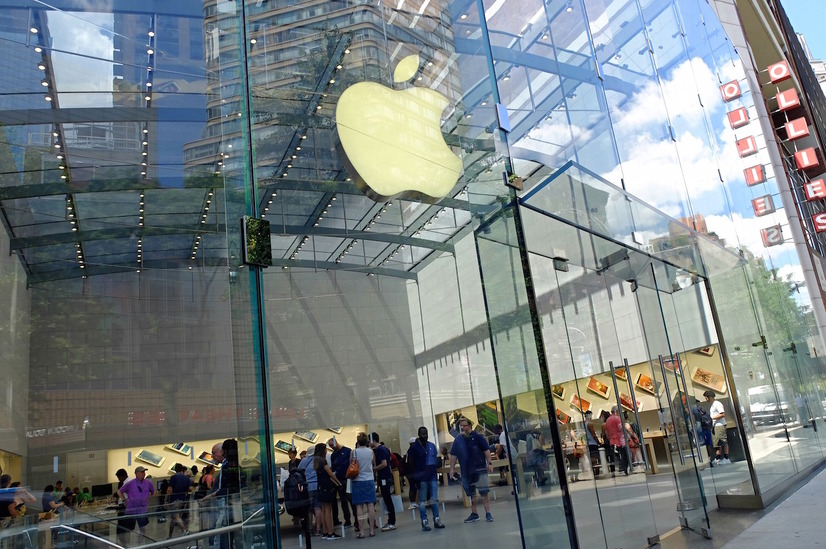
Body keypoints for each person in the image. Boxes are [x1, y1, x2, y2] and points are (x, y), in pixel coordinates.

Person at [449, 417, 494, 523]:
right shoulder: (459, 440)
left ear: (469, 425)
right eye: (461, 426)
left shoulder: (478, 437)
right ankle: (475, 513)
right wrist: (451, 468)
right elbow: (454, 455)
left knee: (484, 492)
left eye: (464, 425)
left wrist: (489, 463)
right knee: (472, 494)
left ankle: (488, 513)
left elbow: (486, 450)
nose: (463, 428)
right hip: (467, 470)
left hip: (480, 469)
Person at [408, 426, 444, 532]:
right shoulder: (414, 448)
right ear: (419, 434)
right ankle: (424, 521)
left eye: (426, 433)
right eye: (423, 433)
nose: (425, 435)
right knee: (422, 500)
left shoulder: (431, 446)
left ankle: (436, 519)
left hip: (432, 476)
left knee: (434, 499)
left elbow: (435, 459)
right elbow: (410, 463)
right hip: (421, 478)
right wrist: (415, 478)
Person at [115, 466, 156, 543]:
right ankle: (126, 545)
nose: (144, 473)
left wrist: (147, 497)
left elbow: (153, 492)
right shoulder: (130, 483)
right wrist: (124, 500)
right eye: (142, 472)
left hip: (142, 509)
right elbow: (119, 491)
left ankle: (140, 544)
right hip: (131, 510)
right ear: (137, 473)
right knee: (129, 529)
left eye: (144, 472)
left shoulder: (148, 482)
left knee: (142, 529)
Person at [314, 442, 343, 540]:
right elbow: (330, 473)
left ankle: (325, 532)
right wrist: (338, 482)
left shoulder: (316, 461)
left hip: (320, 487)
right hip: (327, 486)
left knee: (323, 509)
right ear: (324, 450)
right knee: (328, 509)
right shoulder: (323, 461)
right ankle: (331, 532)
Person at [351, 432, 377, 538]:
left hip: (357, 481)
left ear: (358, 441)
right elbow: (374, 465)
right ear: (367, 441)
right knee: (370, 506)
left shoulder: (354, 452)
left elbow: (351, 465)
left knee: (359, 507)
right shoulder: (371, 452)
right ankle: (371, 530)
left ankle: (361, 532)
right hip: (369, 480)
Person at [328, 437, 357, 530]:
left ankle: (356, 519)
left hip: (348, 479)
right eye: (330, 446)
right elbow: (333, 467)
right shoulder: (333, 455)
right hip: (339, 480)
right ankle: (347, 520)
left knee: (351, 500)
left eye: (332, 445)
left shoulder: (347, 451)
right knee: (343, 501)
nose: (331, 447)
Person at [370, 432, 396, 532]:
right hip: (386, 476)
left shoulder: (380, 450)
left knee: (387, 499)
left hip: (384, 477)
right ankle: (391, 520)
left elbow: (384, 464)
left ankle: (391, 521)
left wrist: (374, 468)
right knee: (387, 499)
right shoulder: (384, 448)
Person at [298, 441, 322, 536]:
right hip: (318, 486)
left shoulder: (304, 461)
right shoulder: (318, 460)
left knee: (309, 509)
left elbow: (299, 471)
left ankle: (310, 528)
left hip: (308, 487)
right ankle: (318, 529)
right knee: (318, 508)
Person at [166, 463, 192, 538]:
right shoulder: (186, 478)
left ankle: (184, 531)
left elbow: (169, 489)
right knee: (173, 517)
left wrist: (166, 500)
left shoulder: (173, 477)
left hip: (175, 500)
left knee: (176, 516)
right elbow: (190, 489)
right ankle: (170, 535)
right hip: (183, 499)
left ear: (175, 469)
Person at [705, 390, 730, 464]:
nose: (706, 399)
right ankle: (718, 458)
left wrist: (712, 418)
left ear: (709, 397)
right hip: (715, 426)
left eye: (706, 398)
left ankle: (726, 458)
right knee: (716, 443)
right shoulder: (712, 405)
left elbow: (722, 414)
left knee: (723, 441)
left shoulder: (717, 404)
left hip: (720, 425)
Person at [691, 397, 715, 466]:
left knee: (701, 444)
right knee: (708, 444)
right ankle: (709, 459)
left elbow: (693, 419)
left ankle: (704, 461)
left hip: (700, 429)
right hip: (706, 427)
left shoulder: (692, 409)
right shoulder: (701, 408)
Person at [605, 406, 629, 475]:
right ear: (617, 411)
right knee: (624, 455)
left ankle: (619, 468)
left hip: (612, 441)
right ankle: (624, 469)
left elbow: (606, 432)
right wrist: (627, 436)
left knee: (617, 456)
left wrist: (609, 438)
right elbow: (621, 428)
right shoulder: (617, 418)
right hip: (620, 441)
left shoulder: (608, 420)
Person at [584, 411, 602, 478]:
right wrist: (598, 442)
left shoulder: (583, 424)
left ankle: (594, 473)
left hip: (587, 444)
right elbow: (593, 434)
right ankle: (597, 474)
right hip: (593, 443)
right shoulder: (590, 424)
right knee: (596, 459)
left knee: (591, 459)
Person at [404, 437, 418, 509]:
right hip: (411, 472)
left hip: (409, 471)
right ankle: (412, 502)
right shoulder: (412, 451)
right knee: (413, 486)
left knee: (413, 486)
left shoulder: (409, 450)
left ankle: (413, 502)